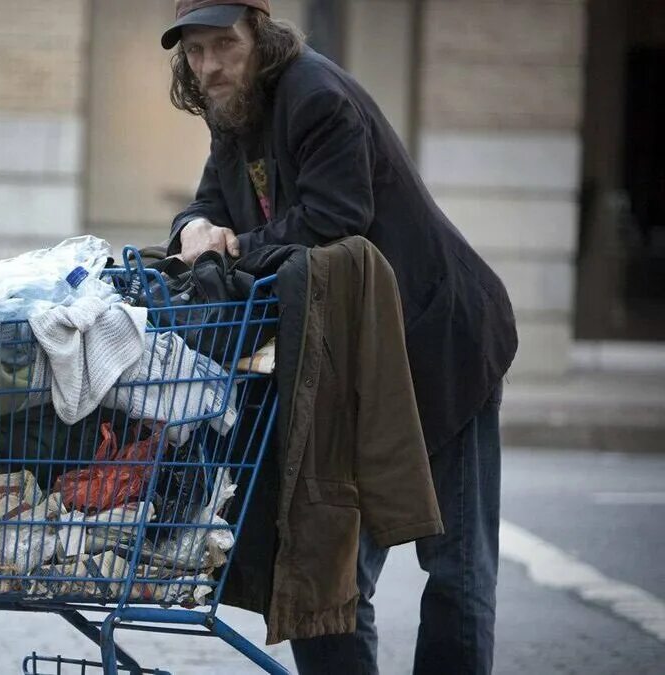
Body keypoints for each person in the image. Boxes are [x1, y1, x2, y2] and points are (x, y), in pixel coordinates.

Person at [159, 2, 518, 674]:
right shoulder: (233, 112)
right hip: (348, 358)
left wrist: (232, 247)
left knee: (456, 567)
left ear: (259, 36)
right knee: (326, 575)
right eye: (195, 51)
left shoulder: (316, 98)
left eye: (222, 46)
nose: (208, 67)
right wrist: (193, 230)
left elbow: (333, 218)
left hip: (436, 343)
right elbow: (209, 200)